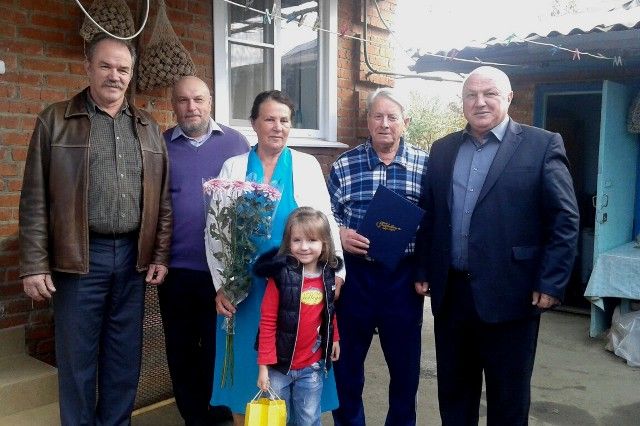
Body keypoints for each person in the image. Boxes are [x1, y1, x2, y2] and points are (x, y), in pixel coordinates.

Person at [18, 33, 172, 424]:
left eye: (123, 69)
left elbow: (162, 199)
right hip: (80, 257)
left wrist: (159, 253)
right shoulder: (55, 120)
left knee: (124, 358)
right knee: (77, 360)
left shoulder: (148, 127)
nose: (114, 75)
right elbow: (34, 197)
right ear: (88, 67)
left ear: (131, 75)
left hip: (133, 259)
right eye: (105, 65)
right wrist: (34, 264)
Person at [414, 66, 580, 425]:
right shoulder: (442, 150)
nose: (480, 102)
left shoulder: (541, 145)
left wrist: (551, 281)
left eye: (489, 93)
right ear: (462, 101)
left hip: (513, 294)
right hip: (452, 296)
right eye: (471, 95)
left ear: (508, 98)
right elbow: (430, 215)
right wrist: (424, 267)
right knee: (454, 396)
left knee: (508, 400)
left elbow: (565, 219)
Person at [209, 90, 345, 425]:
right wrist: (222, 285)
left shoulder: (306, 165)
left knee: (299, 370)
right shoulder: (234, 166)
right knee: (245, 370)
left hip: (295, 286)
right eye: (269, 119)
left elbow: (325, 220)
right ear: (254, 123)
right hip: (244, 289)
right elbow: (214, 230)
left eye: (284, 120)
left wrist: (337, 272)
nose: (277, 126)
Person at [328, 88, 428, 426]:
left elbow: (435, 221)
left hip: (403, 278)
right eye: (377, 116)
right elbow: (325, 215)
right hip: (356, 276)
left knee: (405, 368)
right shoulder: (344, 164)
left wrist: (425, 271)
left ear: (405, 122)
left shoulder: (426, 166)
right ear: (367, 121)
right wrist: (340, 233)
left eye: (392, 117)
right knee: (346, 364)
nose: (384, 123)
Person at [159, 76, 249, 425]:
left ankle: (221, 412)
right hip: (177, 269)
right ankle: (193, 417)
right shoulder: (161, 144)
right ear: (173, 105)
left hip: (223, 273)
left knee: (219, 347)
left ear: (210, 102)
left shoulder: (236, 142)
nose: (191, 107)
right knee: (181, 349)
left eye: (198, 99)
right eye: (182, 100)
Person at [253, 207, 342, 426]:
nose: (304, 247)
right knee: (277, 420)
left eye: (312, 240)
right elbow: (267, 322)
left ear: (324, 244)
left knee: (309, 419)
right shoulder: (280, 278)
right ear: (288, 242)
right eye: (297, 240)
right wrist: (264, 367)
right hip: (278, 368)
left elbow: (329, 311)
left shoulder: (327, 274)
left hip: (311, 367)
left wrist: (335, 338)